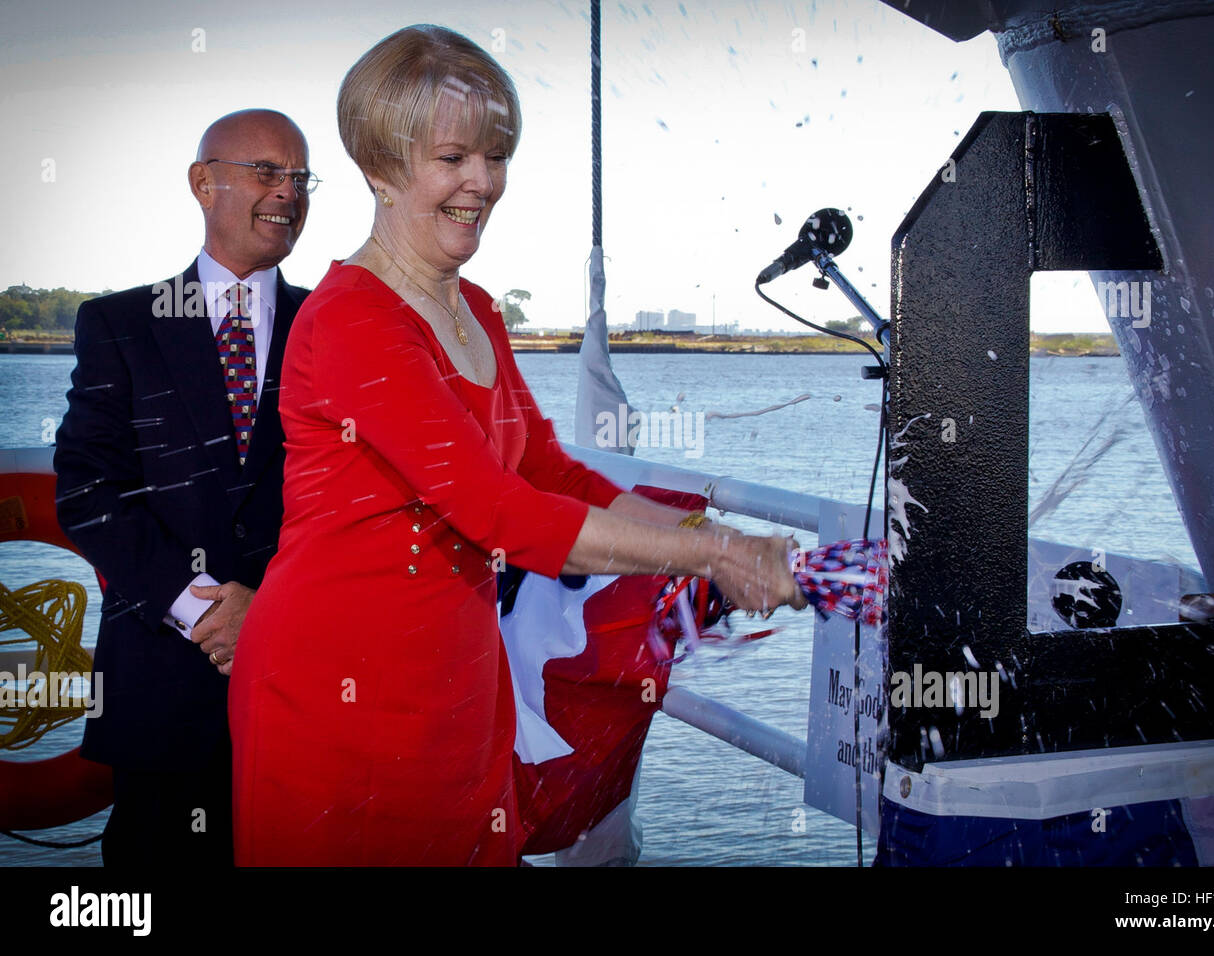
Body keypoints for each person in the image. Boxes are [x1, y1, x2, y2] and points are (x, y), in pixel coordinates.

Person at [227, 25, 804, 866]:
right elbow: (505, 515)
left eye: (496, 157)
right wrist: (717, 554)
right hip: (336, 693)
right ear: (381, 170)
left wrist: (707, 543)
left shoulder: (480, 311)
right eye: (453, 158)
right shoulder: (352, 320)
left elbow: (552, 472)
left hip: (457, 685)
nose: (483, 184)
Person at [53, 109, 315, 866]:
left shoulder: (332, 328)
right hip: (164, 688)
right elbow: (88, 490)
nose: (287, 192)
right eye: (266, 171)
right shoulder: (118, 324)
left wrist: (269, 613)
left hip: (305, 687)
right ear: (204, 183)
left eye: (300, 177)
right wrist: (206, 610)